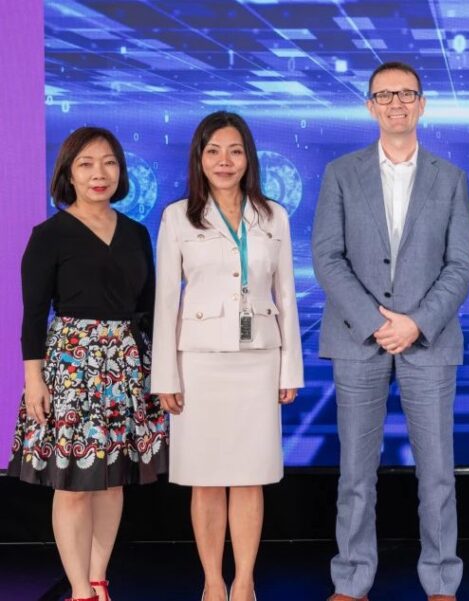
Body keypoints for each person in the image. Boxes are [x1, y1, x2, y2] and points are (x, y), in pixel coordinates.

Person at [313, 61, 469, 601]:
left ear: (422, 103)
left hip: (428, 341)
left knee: (438, 475)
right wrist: (377, 323)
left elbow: (461, 265)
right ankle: (352, 579)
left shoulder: (449, 178)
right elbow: (327, 257)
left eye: (407, 94)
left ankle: (441, 580)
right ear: (370, 106)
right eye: (385, 95)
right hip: (359, 339)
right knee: (356, 476)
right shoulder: (341, 172)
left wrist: (417, 323)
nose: (397, 104)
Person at [7, 127, 167, 601]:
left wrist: (159, 373)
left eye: (109, 163)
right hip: (71, 368)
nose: (99, 174)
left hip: (126, 366)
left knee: (112, 479)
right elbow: (33, 315)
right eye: (86, 164)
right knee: (74, 486)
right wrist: (33, 380)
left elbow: (151, 307)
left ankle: (99, 579)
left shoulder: (137, 233)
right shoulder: (49, 235)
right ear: (68, 174)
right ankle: (78, 589)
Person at [152, 111, 303, 601]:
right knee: (206, 478)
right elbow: (165, 303)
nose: (224, 161)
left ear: (248, 158)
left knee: (250, 475)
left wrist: (290, 368)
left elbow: (287, 296)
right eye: (214, 151)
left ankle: (244, 581)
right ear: (199, 158)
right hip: (198, 363)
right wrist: (165, 376)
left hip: (258, 359)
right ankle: (213, 581)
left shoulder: (273, 215)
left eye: (234, 151)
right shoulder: (178, 216)